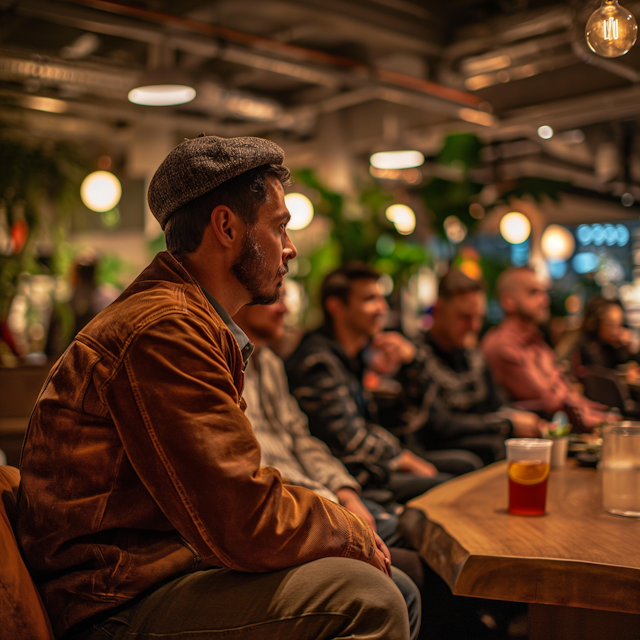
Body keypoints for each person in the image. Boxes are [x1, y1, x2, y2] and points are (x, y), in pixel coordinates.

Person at [16, 135, 414, 640]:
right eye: (279, 227)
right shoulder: (165, 328)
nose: (289, 248)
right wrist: (347, 528)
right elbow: (244, 517)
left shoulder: (188, 320)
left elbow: (234, 503)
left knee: (394, 583)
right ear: (226, 226)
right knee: (370, 598)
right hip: (113, 606)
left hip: (160, 575)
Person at [286, 263, 481, 505]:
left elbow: (409, 419)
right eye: (370, 299)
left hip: (372, 464)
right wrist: (402, 458)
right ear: (336, 306)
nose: (382, 308)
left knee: (465, 465)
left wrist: (412, 364)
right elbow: (349, 439)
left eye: (382, 298)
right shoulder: (316, 361)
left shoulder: (352, 357)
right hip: (350, 475)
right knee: (451, 485)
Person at [380, 269, 549, 466]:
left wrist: (524, 420)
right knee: (487, 451)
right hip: (432, 452)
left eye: (478, 317)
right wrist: (505, 425)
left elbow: (496, 404)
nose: (474, 326)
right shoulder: (414, 358)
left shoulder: (472, 356)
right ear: (439, 309)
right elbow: (441, 426)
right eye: (464, 317)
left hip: (475, 443)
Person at [481, 266, 613, 431]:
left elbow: (566, 394)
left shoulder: (538, 343)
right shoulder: (502, 345)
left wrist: (606, 416)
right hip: (537, 441)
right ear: (508, 301)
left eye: (544, 292)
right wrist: (602, 421)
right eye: (533, 292)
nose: (544, 300)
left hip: (566, 429)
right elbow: (551, 402)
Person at [571, 295, 640, 376]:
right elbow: (603, 373)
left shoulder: (617, 346)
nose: (616, 331)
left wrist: (632, 349)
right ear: (596, 324)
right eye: (610, 325)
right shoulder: (588, 347)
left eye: (619, 325)